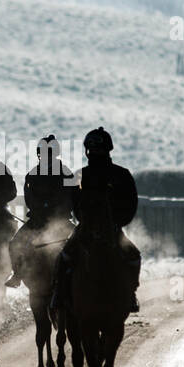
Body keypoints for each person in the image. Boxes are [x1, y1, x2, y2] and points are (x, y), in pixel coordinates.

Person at [50, 126, 142, 313]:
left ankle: (130, 294)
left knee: (133, 256)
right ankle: (59, 295)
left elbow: (130, 204)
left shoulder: (121, 175)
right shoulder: (78, 176)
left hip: (113, 229)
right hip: (85, 228)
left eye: (98, 150)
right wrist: (86, 221)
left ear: (107, 150)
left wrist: (117, 223)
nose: (95, 153)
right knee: (64, 256)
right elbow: (74, 205)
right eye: (92, 150)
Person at [6, 134, 74, 288]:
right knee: (14, 244)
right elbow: (29, 198)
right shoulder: (33, 174)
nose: (44, 157)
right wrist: (39, 210)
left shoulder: (66, 173)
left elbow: (70, 197)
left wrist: (53, 211)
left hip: (61, 222)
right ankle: (17, 274)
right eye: (42, 153)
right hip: (37, 220)